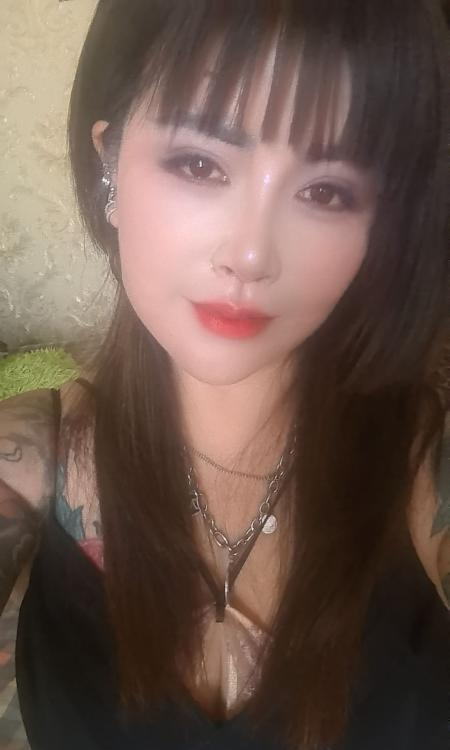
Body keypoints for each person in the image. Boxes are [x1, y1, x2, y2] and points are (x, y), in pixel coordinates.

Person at [0, 1, 449, 748]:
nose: (250, 255)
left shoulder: (423, 467)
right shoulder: (31, 458)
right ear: (109, 164)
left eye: (327, 191)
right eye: (200, 164)